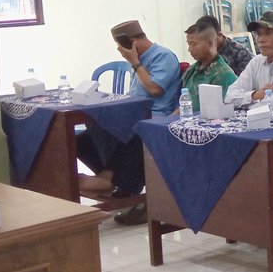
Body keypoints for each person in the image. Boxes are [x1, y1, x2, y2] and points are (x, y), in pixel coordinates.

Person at [77, 19, 181, 225]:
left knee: (135, 133)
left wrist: (134, 61)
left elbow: (154, 89)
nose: (121, 52)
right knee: (86, 138)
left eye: (122, 47)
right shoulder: (139, 60)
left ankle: (116, 182)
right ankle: (111, 179)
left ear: (133, 42)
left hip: (156, 116)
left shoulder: (163, 56)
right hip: (132, 114)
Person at [180, 20, 237, 112]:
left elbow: (224, 111)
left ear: (210, 44)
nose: (189, 49)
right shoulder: (191, 71)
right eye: (188, 44)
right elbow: (183, 107)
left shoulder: (224, 74)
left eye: (194, 44)